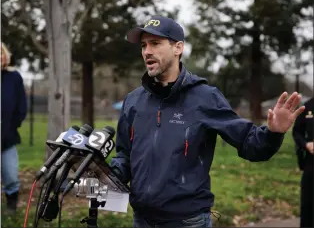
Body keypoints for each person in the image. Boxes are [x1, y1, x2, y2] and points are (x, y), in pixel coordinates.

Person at [110, 16, 305, 228]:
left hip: (188, 221)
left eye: (155, 43)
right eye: (143, 45)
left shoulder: (205, 98)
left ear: (178, 48)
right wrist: (104, 176)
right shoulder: (133, 101)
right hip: (142, 220)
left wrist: (273, 132)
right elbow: (125, 155)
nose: (147, 51)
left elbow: (251, 144)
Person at [1, 42, 27, 214]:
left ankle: (12, 206)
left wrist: (12, 125)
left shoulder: (14, 77)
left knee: (10, 175)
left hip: (7, 137)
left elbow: (21, 106)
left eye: (1, 53)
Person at [292, 97, 313, 228]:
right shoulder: (307, 107)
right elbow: (296, 132)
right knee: (308, 203)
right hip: (311, 163)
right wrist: (306, 144)